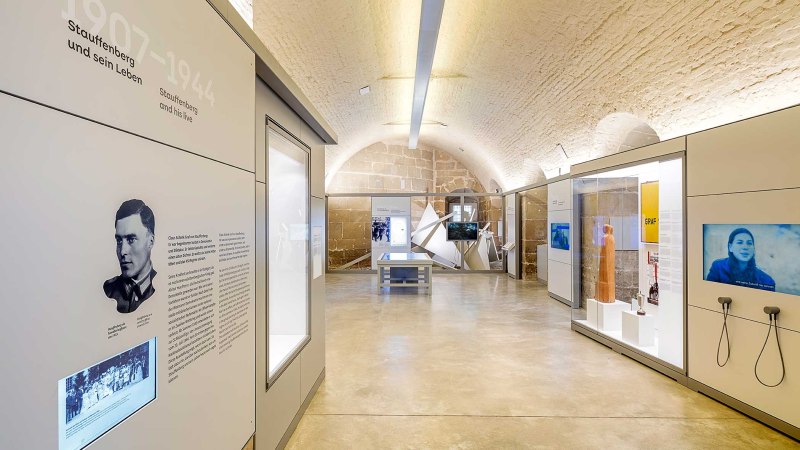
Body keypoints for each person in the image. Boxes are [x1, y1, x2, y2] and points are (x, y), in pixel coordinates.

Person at [103, 199, 157, 313]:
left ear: (150, 241)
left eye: (131, 239)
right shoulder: (108, 290)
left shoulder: (161, 285)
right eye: (119, 241)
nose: (122, 252)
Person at [706, 227, 775, 291]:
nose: (745, 247)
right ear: (730, 247)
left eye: (749, 243)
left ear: (753, 249)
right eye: (740, 242)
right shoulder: (718, 267)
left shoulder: (767, 281)